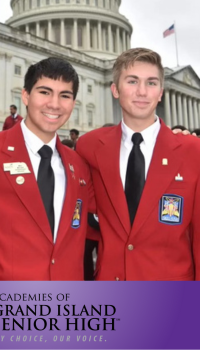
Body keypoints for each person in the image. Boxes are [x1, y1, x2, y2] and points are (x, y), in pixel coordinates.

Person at [77, 47, 200, 281]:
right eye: (132, 81)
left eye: (151, 83)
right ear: (115, 89)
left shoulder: (192, 152)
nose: (142, 91)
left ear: (161, 92)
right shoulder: (89, 147)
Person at [0, 57, 95, 280]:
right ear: (26, 96)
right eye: (45, 92)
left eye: (64, 95)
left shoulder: (79, 165)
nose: (54, 104)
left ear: (73, 104)